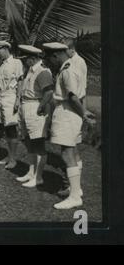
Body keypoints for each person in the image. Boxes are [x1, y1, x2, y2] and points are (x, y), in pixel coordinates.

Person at [42, 42, 93, 209]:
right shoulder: (69, 67)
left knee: (67, 153)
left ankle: (74, 196)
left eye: (49, 59)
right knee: (73, 152)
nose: (48, 63)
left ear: (55, 55)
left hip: (67, 114)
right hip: (71, 114)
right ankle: (75, 190)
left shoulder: (67, 71)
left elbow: (72, 96)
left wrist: (84, 113)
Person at [15, 45, 54, 188]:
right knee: (28, 141)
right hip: (26, 105)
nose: (24, 62)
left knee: (38, 143)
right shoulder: (30, 71)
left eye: (25, 59)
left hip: (35, 106)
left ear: (32, 58)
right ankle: (31, 172)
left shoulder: (42, 71)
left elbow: (49, 92)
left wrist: (41, 106)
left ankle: (39, 177)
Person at [58, 37, 89, 197]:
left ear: (71, 49)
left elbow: (80, 90)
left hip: (74, 108)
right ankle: (72, 186)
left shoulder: (78, 62)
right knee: (72, 149)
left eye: (64, 50)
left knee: (70, 150)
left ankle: (73, 187)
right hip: (73, 106)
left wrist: (83, 112)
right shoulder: (69, 62)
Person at [0, 41, 24, 169]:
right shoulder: (2, 65)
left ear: (5, 48)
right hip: (2, 96)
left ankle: (13, 159)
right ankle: (9, 156)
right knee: (6, 128)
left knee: (11, 128)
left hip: (11, 96)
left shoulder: (16, 63)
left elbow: (20, 81)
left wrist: (18, 99)